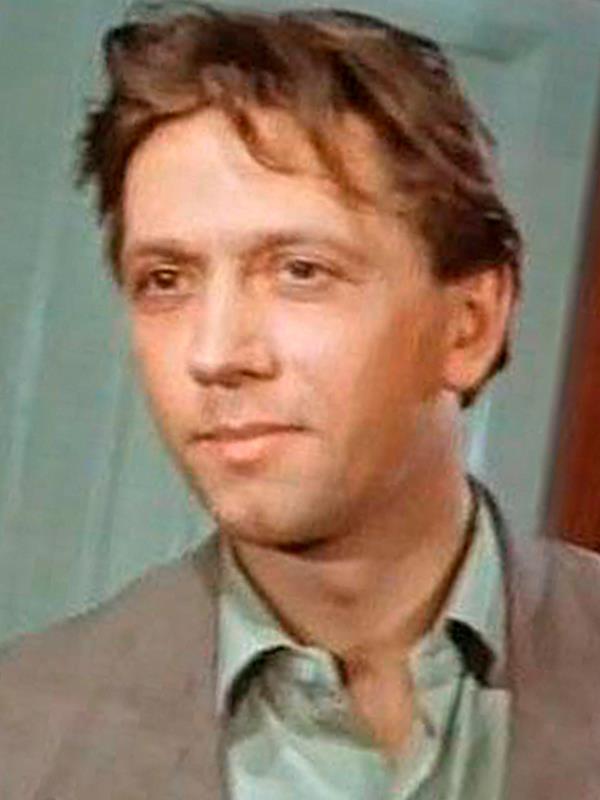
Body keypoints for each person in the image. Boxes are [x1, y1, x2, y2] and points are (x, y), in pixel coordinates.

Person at [1, 5, 599, 799]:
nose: (216, 354)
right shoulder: (21, 740)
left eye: (300, 271)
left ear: (470, 325)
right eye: (165, 281)